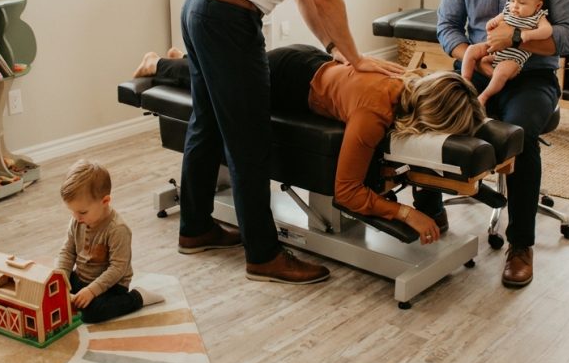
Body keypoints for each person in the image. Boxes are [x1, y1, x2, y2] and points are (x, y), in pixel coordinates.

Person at [178, 0, 403, 286]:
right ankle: (263, 255)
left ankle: (195, 227)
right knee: (251, 141)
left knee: (205, 124)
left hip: (200, 8)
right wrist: (357, 59)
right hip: (228, 20)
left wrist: (330, 48)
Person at [132, 44, 486, 246]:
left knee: (221, 78)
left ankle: (180, 59)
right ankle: (159, 64)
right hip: (286, 80)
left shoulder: (409, 80)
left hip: (310, 61)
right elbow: (346, 193)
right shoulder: (372, 113)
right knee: (215, 88)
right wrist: (406, 211)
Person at [437, 0, 569, 289]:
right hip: (476, 68)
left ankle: (520, 244)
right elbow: (446, 25)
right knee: (425, 114)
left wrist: (515, 39)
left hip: (531, 76)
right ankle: (431, 214)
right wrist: (471, 52)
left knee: (519, 134)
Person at [56, 159, 165, 323]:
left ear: (105, 201)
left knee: (92, 314)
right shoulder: (78, 220)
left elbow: (118, 269)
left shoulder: (118, 229)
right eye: (72, 211)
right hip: (83, 278)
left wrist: (92, 291)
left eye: (82, 212)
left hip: (112, 285)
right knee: (51, 290)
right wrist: (61, 280)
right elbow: (67, 252)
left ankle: (138, 297)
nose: (76, 217)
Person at [461, 0, 552, 106]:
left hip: (512, 58)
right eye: (513, 0)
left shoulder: (538, 17)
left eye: (522, 3)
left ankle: (484, 96)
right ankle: (466, 81)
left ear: (537, 5)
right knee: (471, 50)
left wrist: (527, 34)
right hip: (493, 49)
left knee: (501, 71)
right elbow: (496, 19)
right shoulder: (509, 9)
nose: (515, 6)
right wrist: (491, 23)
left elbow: (547, 31)